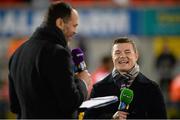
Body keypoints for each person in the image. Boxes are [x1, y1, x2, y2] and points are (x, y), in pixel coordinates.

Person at [8, 2, 91, 119]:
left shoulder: (18, 52)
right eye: (74, 25)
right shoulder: (57, 53)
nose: (75, 31)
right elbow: (70, 102)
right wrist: (82, 82)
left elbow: (15, 107)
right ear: (60, 23)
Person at [84, 37, 167, 119]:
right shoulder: (99, 89)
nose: (122, 56)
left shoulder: (152, 88)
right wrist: (111, 118)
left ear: (136, 56)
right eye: (117, 53)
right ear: (112, 58)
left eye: (127, 52)